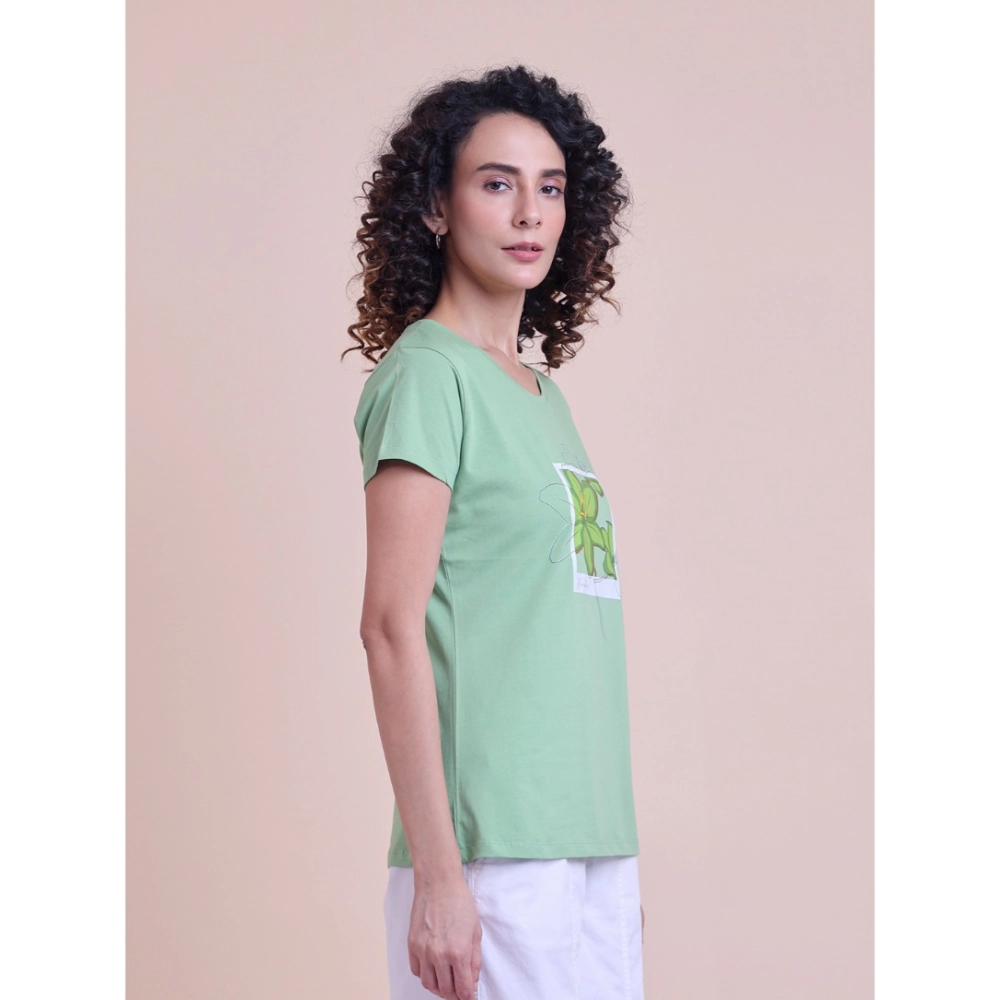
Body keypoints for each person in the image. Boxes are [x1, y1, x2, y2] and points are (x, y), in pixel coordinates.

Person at [344, 64, 645, 1000]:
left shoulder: (543, 397)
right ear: (436, 205)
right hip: (490, 853)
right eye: (496, 182)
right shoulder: (428, 375)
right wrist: (441, 878)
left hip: (587, 842)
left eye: (550, 188)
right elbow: (389, 628)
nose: (528, 214)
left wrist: (607, 867)